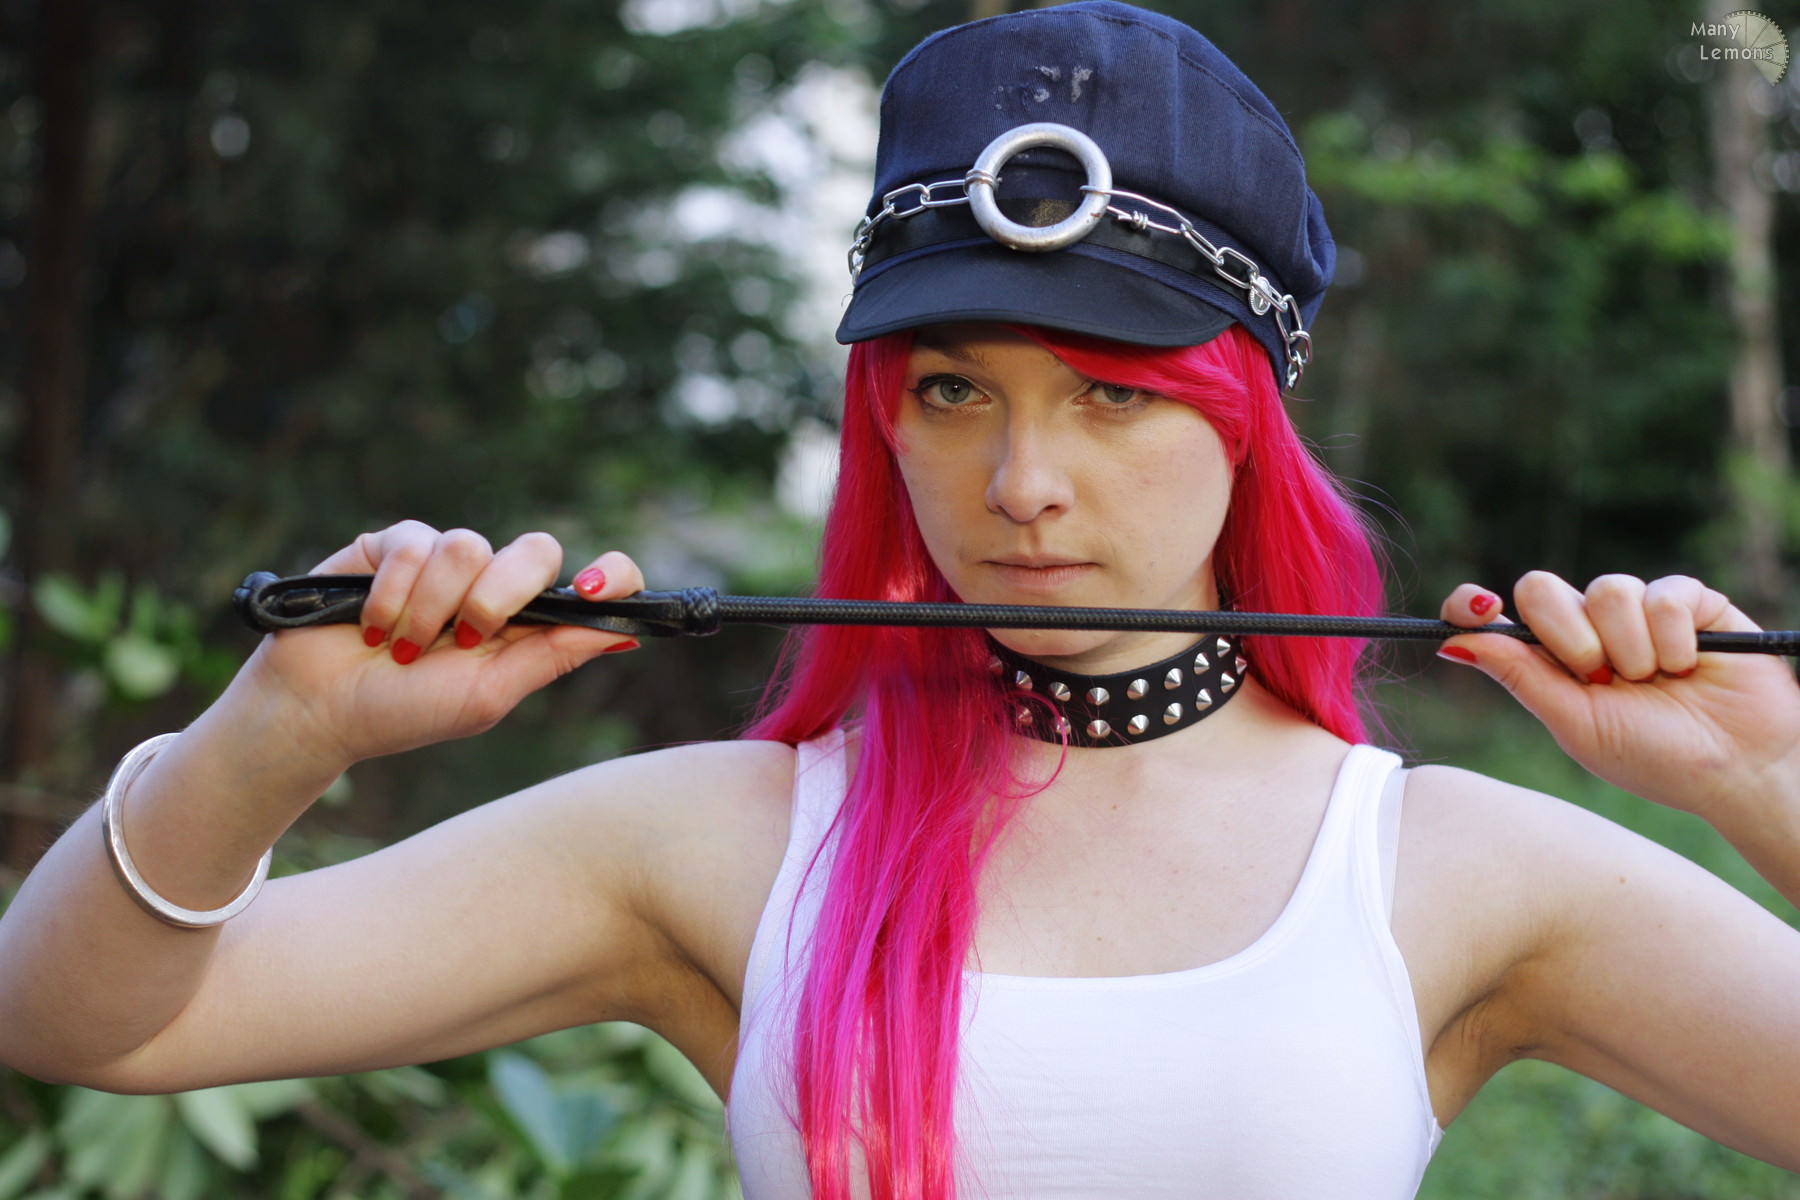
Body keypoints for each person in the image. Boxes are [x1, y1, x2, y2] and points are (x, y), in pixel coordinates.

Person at [2, 3, 1797, 1196]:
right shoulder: (725, 842)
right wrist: (278, 735)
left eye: (1112, 394)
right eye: (952, 390)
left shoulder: (1445, 869)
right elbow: (74, 1021)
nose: (1021, 482)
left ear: (1248, 419)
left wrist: (1768, 785)